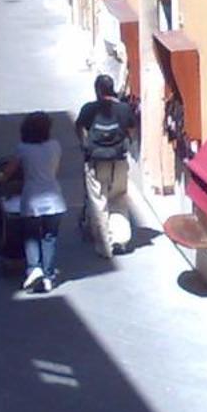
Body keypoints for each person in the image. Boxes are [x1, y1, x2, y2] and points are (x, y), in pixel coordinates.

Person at [74, 74, 138, 255]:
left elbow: (79, 128)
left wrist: (84, 145)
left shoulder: (89, 109)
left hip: (96, 162)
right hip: (118, 161)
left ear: (98, 91)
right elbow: (132, 130)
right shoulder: (124, 109)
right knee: (118, 198)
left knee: (99, 202)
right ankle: (121, 239)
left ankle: (105, 245)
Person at [15, 110, 67, 293]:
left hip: (32, 200)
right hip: (55, 199)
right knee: (49, 238)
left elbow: (12, 169)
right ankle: (49, 276)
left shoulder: (23, 149)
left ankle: (33, 268)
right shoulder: (55, 146)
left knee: (31, 236)